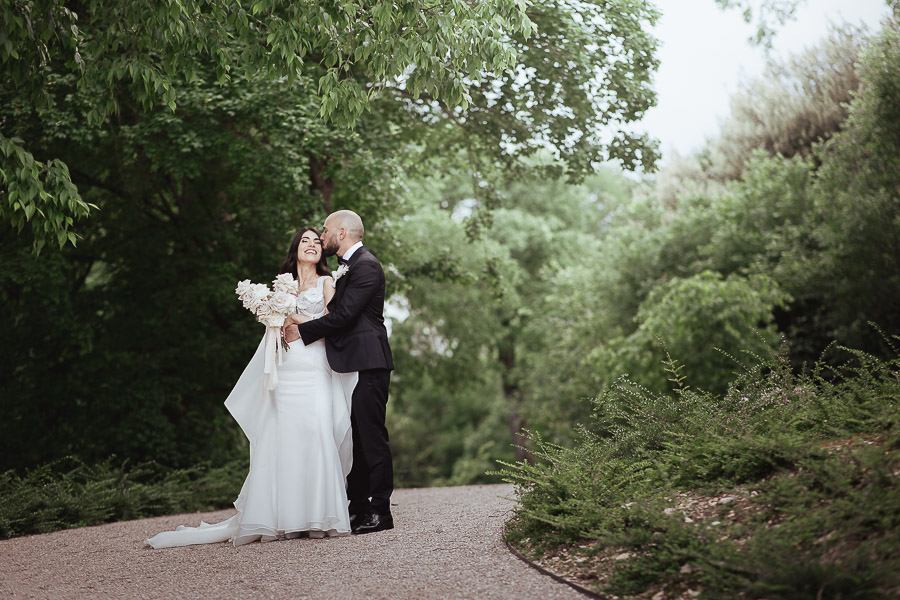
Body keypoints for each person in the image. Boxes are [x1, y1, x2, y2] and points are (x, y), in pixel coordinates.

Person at [145, 227, 357, 548]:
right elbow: (275, 326)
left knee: (315, 431)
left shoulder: (328, 283)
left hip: (314, 368)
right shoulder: (279, 286)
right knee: (282, 435)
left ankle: (319, 516)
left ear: (322, 252)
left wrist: (294, 318)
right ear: (295, 248)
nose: (312, 245)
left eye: (317, 241)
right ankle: (284, 517)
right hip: (284, 369)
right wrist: (275, 312)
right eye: (305, 241)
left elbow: (334, 321)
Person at [283, 210, 395, 534]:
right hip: (351, 364)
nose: (322, 234)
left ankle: (381, 512)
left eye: (326, 229)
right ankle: (358, 507)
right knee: (357, 438)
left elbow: (343, 317)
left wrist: (301, 332)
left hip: (369, 362)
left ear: (342, 232)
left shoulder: (367, 266)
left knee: (372, 438)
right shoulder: (347, 269)